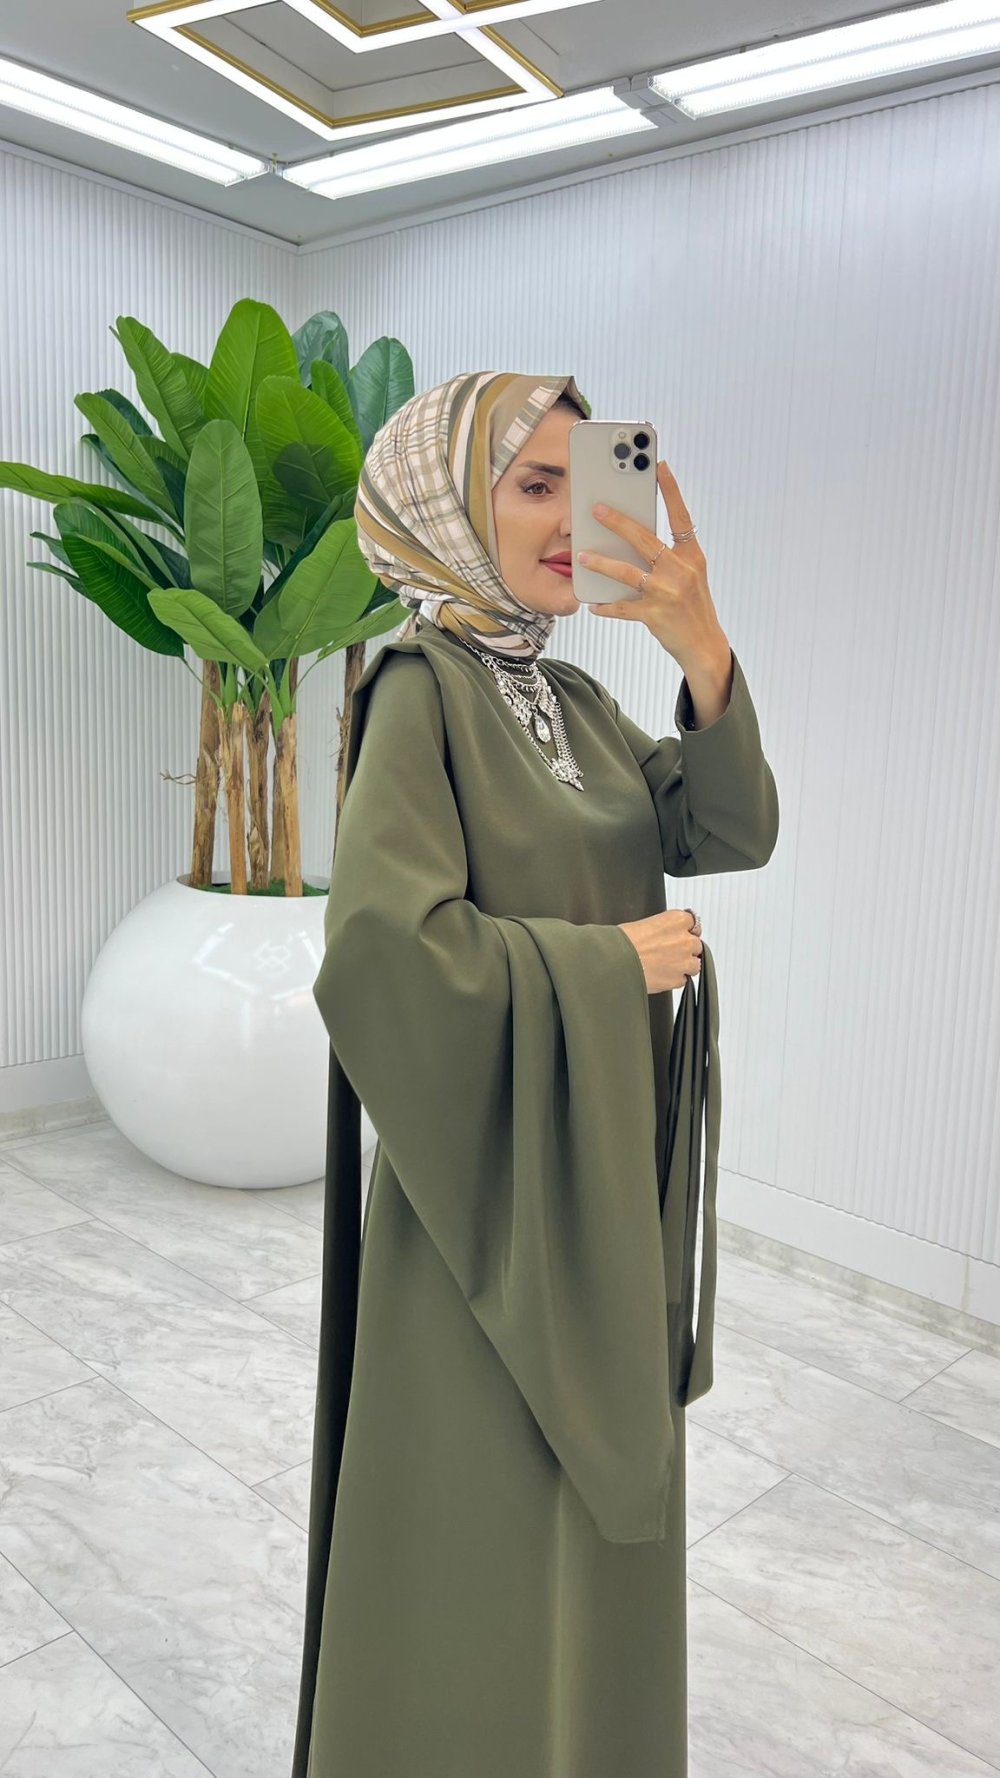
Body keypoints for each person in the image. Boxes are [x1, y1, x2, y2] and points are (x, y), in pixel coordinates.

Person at [290, 370, 779, 1778]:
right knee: (488, 1515)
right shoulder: (420, 694)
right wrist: (605, 967)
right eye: (536, 484)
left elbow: (725, 828)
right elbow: (383, 952)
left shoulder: (568, 692)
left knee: (590, 1501)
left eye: (586, 478)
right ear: (448, 506)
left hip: (603, 1166)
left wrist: (701, 648)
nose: (574, 519)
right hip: (486, 1194)